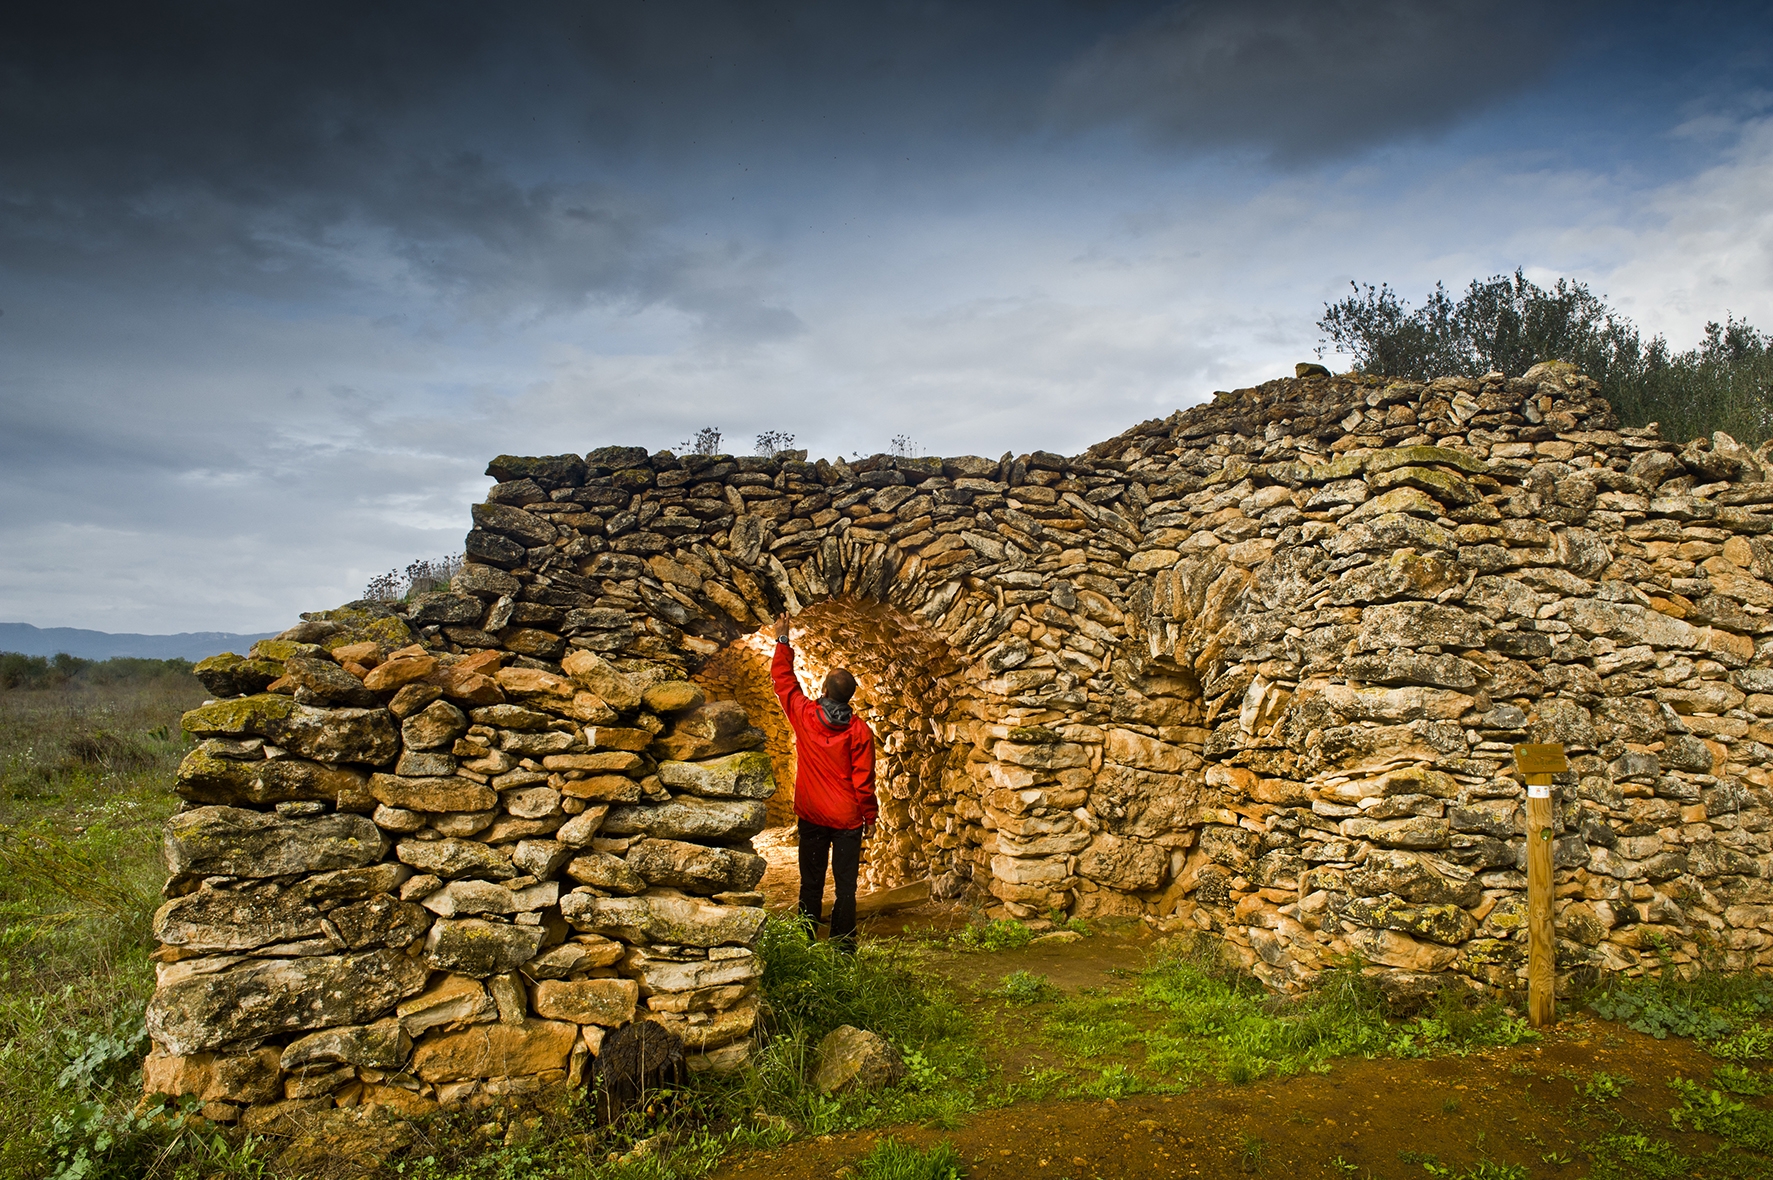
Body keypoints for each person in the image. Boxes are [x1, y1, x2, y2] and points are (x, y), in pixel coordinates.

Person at [770, 611, 878, 947]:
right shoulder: (859, 731)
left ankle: (804, 940)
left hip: (813, 814)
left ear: (823, 688)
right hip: (847, 820)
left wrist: (783, 639)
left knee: (811, 881)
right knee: (846, 885)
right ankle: (844, 945)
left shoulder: (805, 716)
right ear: (850, 697)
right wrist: (870, 817)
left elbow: (784, 682)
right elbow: (864, 781)